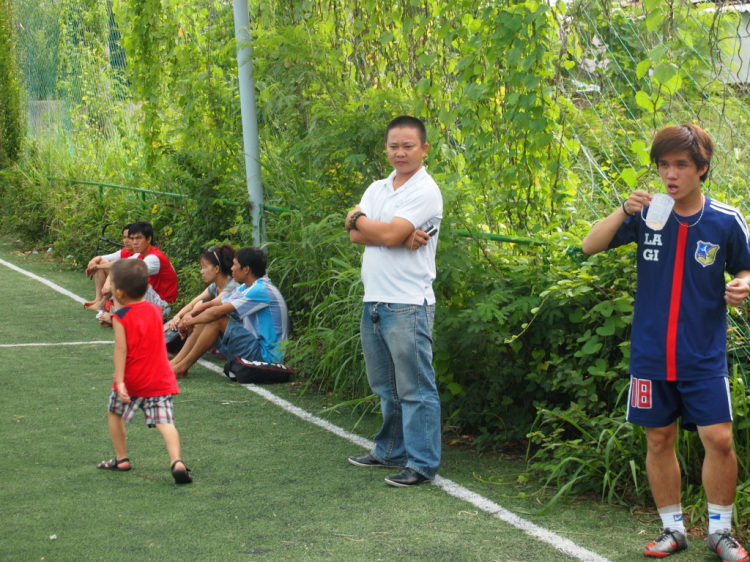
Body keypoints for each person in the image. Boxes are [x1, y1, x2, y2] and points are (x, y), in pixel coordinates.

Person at [582, 124, 750, 561]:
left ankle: (721, 531)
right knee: (658, 439)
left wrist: (742, 284)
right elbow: (589, 245)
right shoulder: (646, 214)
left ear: (702, 169)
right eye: (664, 165)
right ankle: (672, 529)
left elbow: (746, 269)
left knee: (719, 439)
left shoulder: (726, 220)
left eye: (681, 165)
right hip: (652, 354)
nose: (670, 175)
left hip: (703, 354)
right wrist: (622, 209)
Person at [344, 115, 443, 488]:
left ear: (424, 149)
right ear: (385, 148)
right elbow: (357, 235)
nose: (400, 153)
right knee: (385, 385)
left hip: (407, 302)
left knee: (415, 387)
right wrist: (388, 233)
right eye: (393, 146)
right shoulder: (377, 187)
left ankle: (421, 464)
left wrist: (370, 226)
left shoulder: (425, 190)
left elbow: (376, 232)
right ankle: (389, 451)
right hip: (375, 300)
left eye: (408, 146)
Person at [96, 258, 192, 485]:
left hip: (132, 378)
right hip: (159, 376)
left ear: (118, 291)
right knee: (165, 422)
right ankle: (177, 461)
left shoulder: (120, 317)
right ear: (147, 287)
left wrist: (119, 381)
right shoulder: (156, 310)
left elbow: (121, 349)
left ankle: (121, 459)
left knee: (114, 412)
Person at [170, 246, 288, 378]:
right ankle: (176, 363)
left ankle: (181, 367)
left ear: (246, 269)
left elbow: (216, 313)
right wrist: (190, 315)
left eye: (234, 265)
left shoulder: (260, 290)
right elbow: (213, 304)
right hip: (255, 349)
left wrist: (189, 322)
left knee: (216, 319)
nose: (231, 268)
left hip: (268, 359)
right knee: (208, 315)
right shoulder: (247, 287)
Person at [97, 221, 179, 326]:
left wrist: (111, 285)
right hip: (152, 301)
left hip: (162, 306)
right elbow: (120, 264)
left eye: (138, 238)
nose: (134, 242)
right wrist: (97, 266)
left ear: (149, 239)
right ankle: (118, 315)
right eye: (132, 238)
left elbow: (129, 274)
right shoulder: (140, 255)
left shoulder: (154, 257)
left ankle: (117, 318)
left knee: (130, 280)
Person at [164, 244, 238, 333]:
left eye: (204, 267)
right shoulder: (215, 286)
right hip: (223, 333)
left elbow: (210, 305)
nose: (201, 271)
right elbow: (192, 304)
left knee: (201, 307)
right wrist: (176, 317)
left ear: (216, 268)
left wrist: (187, 319)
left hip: (235, 335)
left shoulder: (232, 286)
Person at [83, 224, 133, 310]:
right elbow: (100, 258)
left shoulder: (141, 254)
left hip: (136, 289)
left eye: (129, 238)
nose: (126, 240)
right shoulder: (125, 251)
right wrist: (92, 263)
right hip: (125, 286)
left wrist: (97, 267)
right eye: (124, 237)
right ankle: (98, 299)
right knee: (102, 262)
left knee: (112, 268)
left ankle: (103, 303)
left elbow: (119, 264)